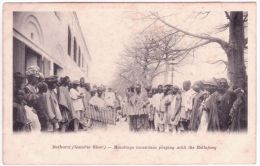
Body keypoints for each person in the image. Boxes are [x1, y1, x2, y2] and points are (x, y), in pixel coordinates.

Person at [24, 66, 41, 131]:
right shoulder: (26, 88)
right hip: (28, 112)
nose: (37, 80)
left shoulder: (34, 88)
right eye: (35, 78)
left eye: (37, 78)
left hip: (33, 111)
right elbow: (26, 102)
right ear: (30, 78)